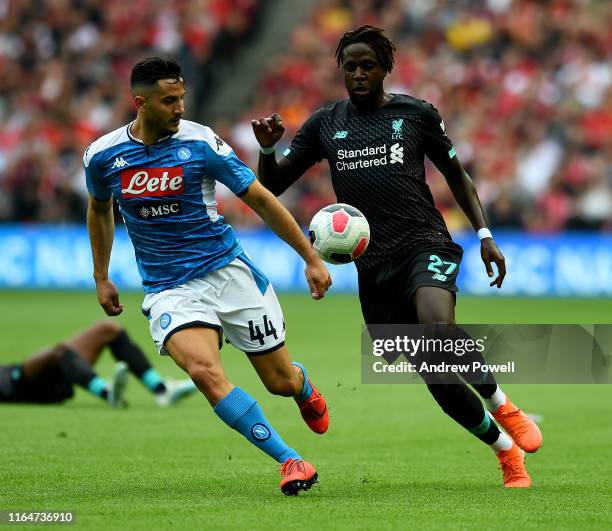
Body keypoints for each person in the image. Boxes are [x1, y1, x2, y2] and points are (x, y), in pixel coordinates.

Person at [251, 26, 542, 488]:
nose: (360, 74)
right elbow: (272, 186)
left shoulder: (415, 114)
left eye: (369, 65)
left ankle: (502, 403)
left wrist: (485, 234)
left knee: (437, 326)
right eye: (351, 66)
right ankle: (504, 451)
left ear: (386, 68)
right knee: (437, 377)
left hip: (424, 241)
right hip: (373, 265)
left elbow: (457, 175)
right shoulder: (326, 123)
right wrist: (267, 147)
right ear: (340, 70)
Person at [84, 57, 332, 496]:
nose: (179, 108)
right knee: (203, 370)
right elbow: (100, 208)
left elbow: (258, 197)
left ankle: (302, 384)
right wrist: (101, 274)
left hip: (228, 273)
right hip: (169, 288)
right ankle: (289, 460)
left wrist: (310, 257)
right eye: (168, 101)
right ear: (139, 102)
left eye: (181, 98)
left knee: (279, 382)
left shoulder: (201, 143)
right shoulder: (103, 156)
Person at [0, 321, 196, 407]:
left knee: (108, 329)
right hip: (18, 386)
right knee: (58, 351)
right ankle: (108, 393)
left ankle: (161, 390)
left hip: (60, 376)